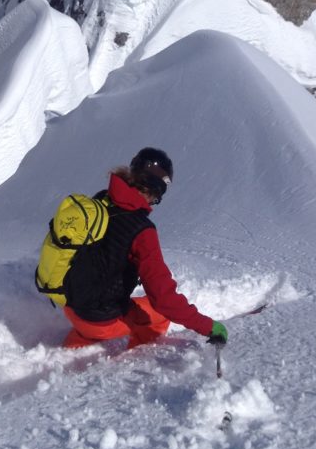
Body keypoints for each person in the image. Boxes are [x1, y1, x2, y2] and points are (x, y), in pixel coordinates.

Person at [62, 147, 229, 350]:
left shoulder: (101, 201)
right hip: (99, 320)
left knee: (108, 306)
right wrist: (208, 326)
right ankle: (139, 358)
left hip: (71, 306)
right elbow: (164, 299)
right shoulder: (142, 231)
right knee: (158, 316)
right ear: (158, 190)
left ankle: (73, 349)